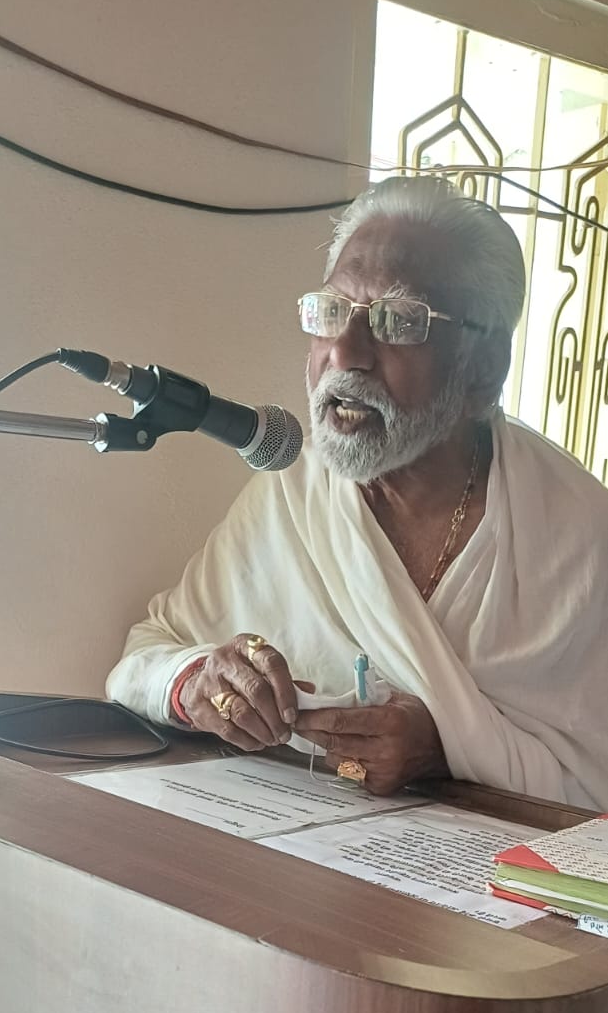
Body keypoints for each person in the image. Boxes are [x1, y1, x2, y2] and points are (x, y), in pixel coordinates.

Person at [107, 175, 608, 810]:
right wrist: (199, 682)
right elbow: (147, 655)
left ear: (484, 370)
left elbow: (594, 778)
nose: (345, 353)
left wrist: (446, 750)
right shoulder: (293, 491)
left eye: (398, 322)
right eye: (331, 312)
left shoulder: (582, 535)